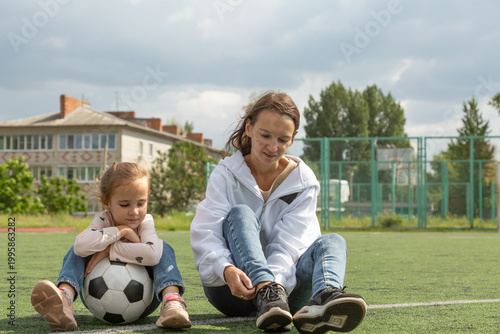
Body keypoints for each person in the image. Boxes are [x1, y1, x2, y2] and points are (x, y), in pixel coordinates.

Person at [190, 91, 367, 333]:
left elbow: (289, 246)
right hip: (231, 289)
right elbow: (207, 230)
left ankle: (325, 297)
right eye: (265, 135)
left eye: (283, 139)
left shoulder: (303, 182)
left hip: (285, 295)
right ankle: (266, 291)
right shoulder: (225, 174)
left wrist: (274, 287)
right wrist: (225, 268)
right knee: (240, 214)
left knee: (333, 241)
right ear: (249, 128)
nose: (273, 147)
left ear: (292, 139)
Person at [31, 162, 191, 331]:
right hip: (93, 294)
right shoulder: (103, 219)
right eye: (125, 204)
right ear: (106, 202)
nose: (134, 211)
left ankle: (172, 302)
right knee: (79, 248)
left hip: (149, 297)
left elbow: (151, 255)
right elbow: (80, 246)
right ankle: (65, 297)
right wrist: (120, 231)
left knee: (163, 248)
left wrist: (109, 250)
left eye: (141, 203)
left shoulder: (145, 222)